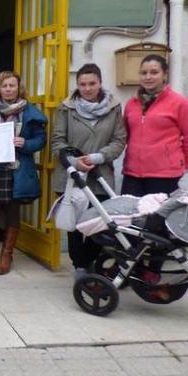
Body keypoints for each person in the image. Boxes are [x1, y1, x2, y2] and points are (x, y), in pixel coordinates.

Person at [51, 64, 127, 276]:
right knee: (75, 228)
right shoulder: (66, 108)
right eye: (82, 84)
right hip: (72, 177)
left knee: (100, 224)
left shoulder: (113, 108)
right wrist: (75, 162)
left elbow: (119, 140)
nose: (87, 88)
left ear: (100, 83)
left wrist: (98, 156)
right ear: (77, 85)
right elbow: (57, 142)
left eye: (92, 83)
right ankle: (80, 268)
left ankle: (88, 262)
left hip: (101, 176)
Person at [0, 71, 47, 275]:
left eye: (12, 85)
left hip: (17, 170)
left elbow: (41, 140)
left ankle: (7, 254)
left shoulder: (29, 112)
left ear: (18, 88)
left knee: (13, 212)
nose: (8, 89)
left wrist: (26, 143)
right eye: (4, 86)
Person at [122, 55, 188, 197]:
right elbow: (125, 136)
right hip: (132, 176)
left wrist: (178, 164)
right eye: (143, 73)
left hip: (166, 177)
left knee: (157, 219)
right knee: (130, 219)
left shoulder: (179, 103)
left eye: (154, 72)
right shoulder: (131, 104)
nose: (148, 77)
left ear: (165, 74)